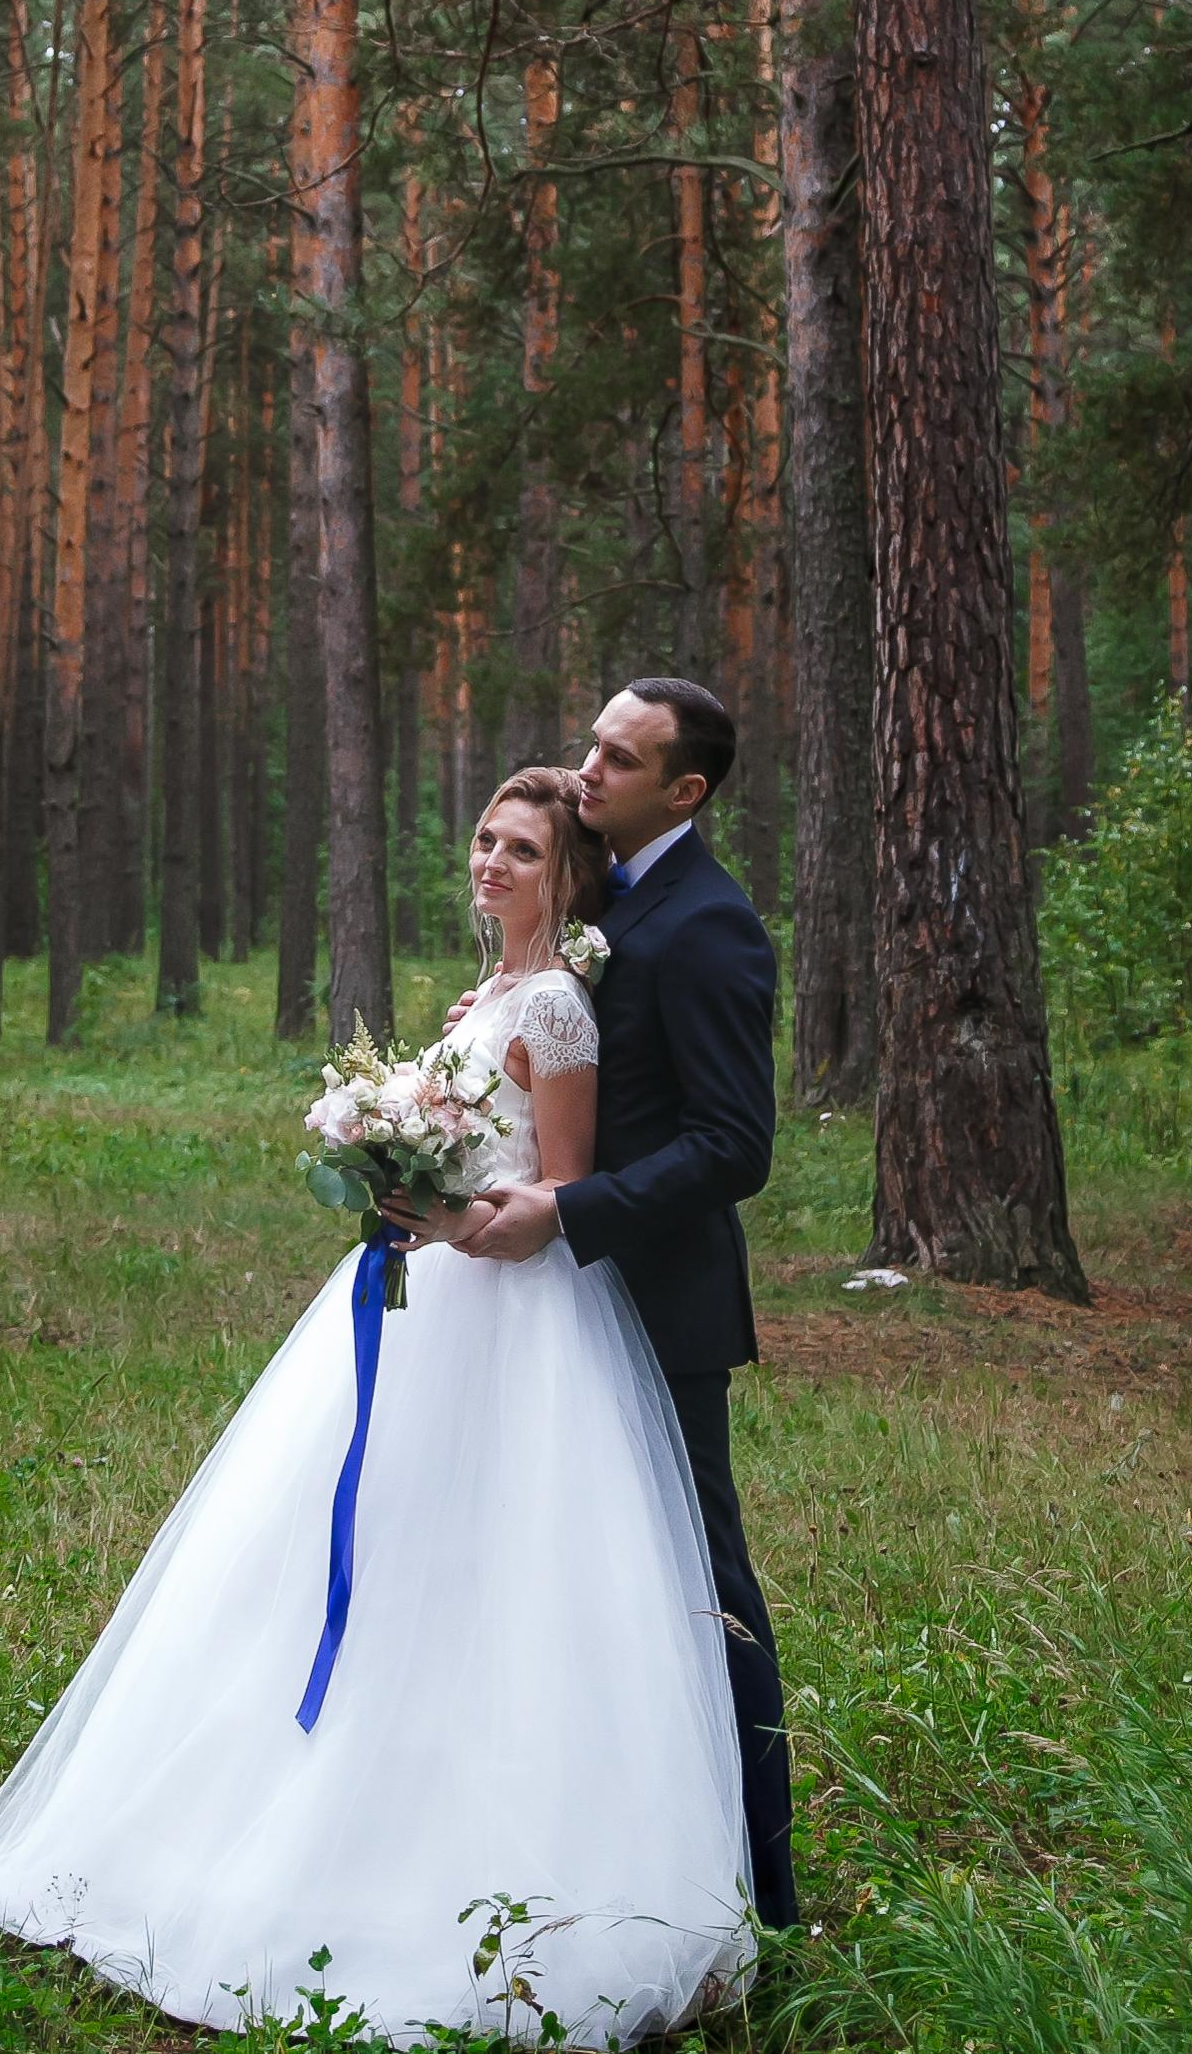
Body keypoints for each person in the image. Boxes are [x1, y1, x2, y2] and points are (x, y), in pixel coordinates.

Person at [0, 766, 755, 2042]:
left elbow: (556, 1191)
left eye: (523, 851)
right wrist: (385, 1151)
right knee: (355, 1559)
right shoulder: (490, 991)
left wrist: (450, 1209)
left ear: (568, 875)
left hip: (512, 1330)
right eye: (485, 842)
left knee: (483, 1584)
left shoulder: (555, 1008)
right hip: (411, 1302)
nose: (491, 864)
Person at [452, 679, 799, 1932]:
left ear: (685, 790)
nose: (584, 766)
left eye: (617, 756)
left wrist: (569, 1210)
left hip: (655, 1303)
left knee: (702, 1586)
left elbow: (732, 1143)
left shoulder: (708, 924)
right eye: (591, 743)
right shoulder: (610, 896)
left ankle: (761, 1886)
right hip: (548, 1312)